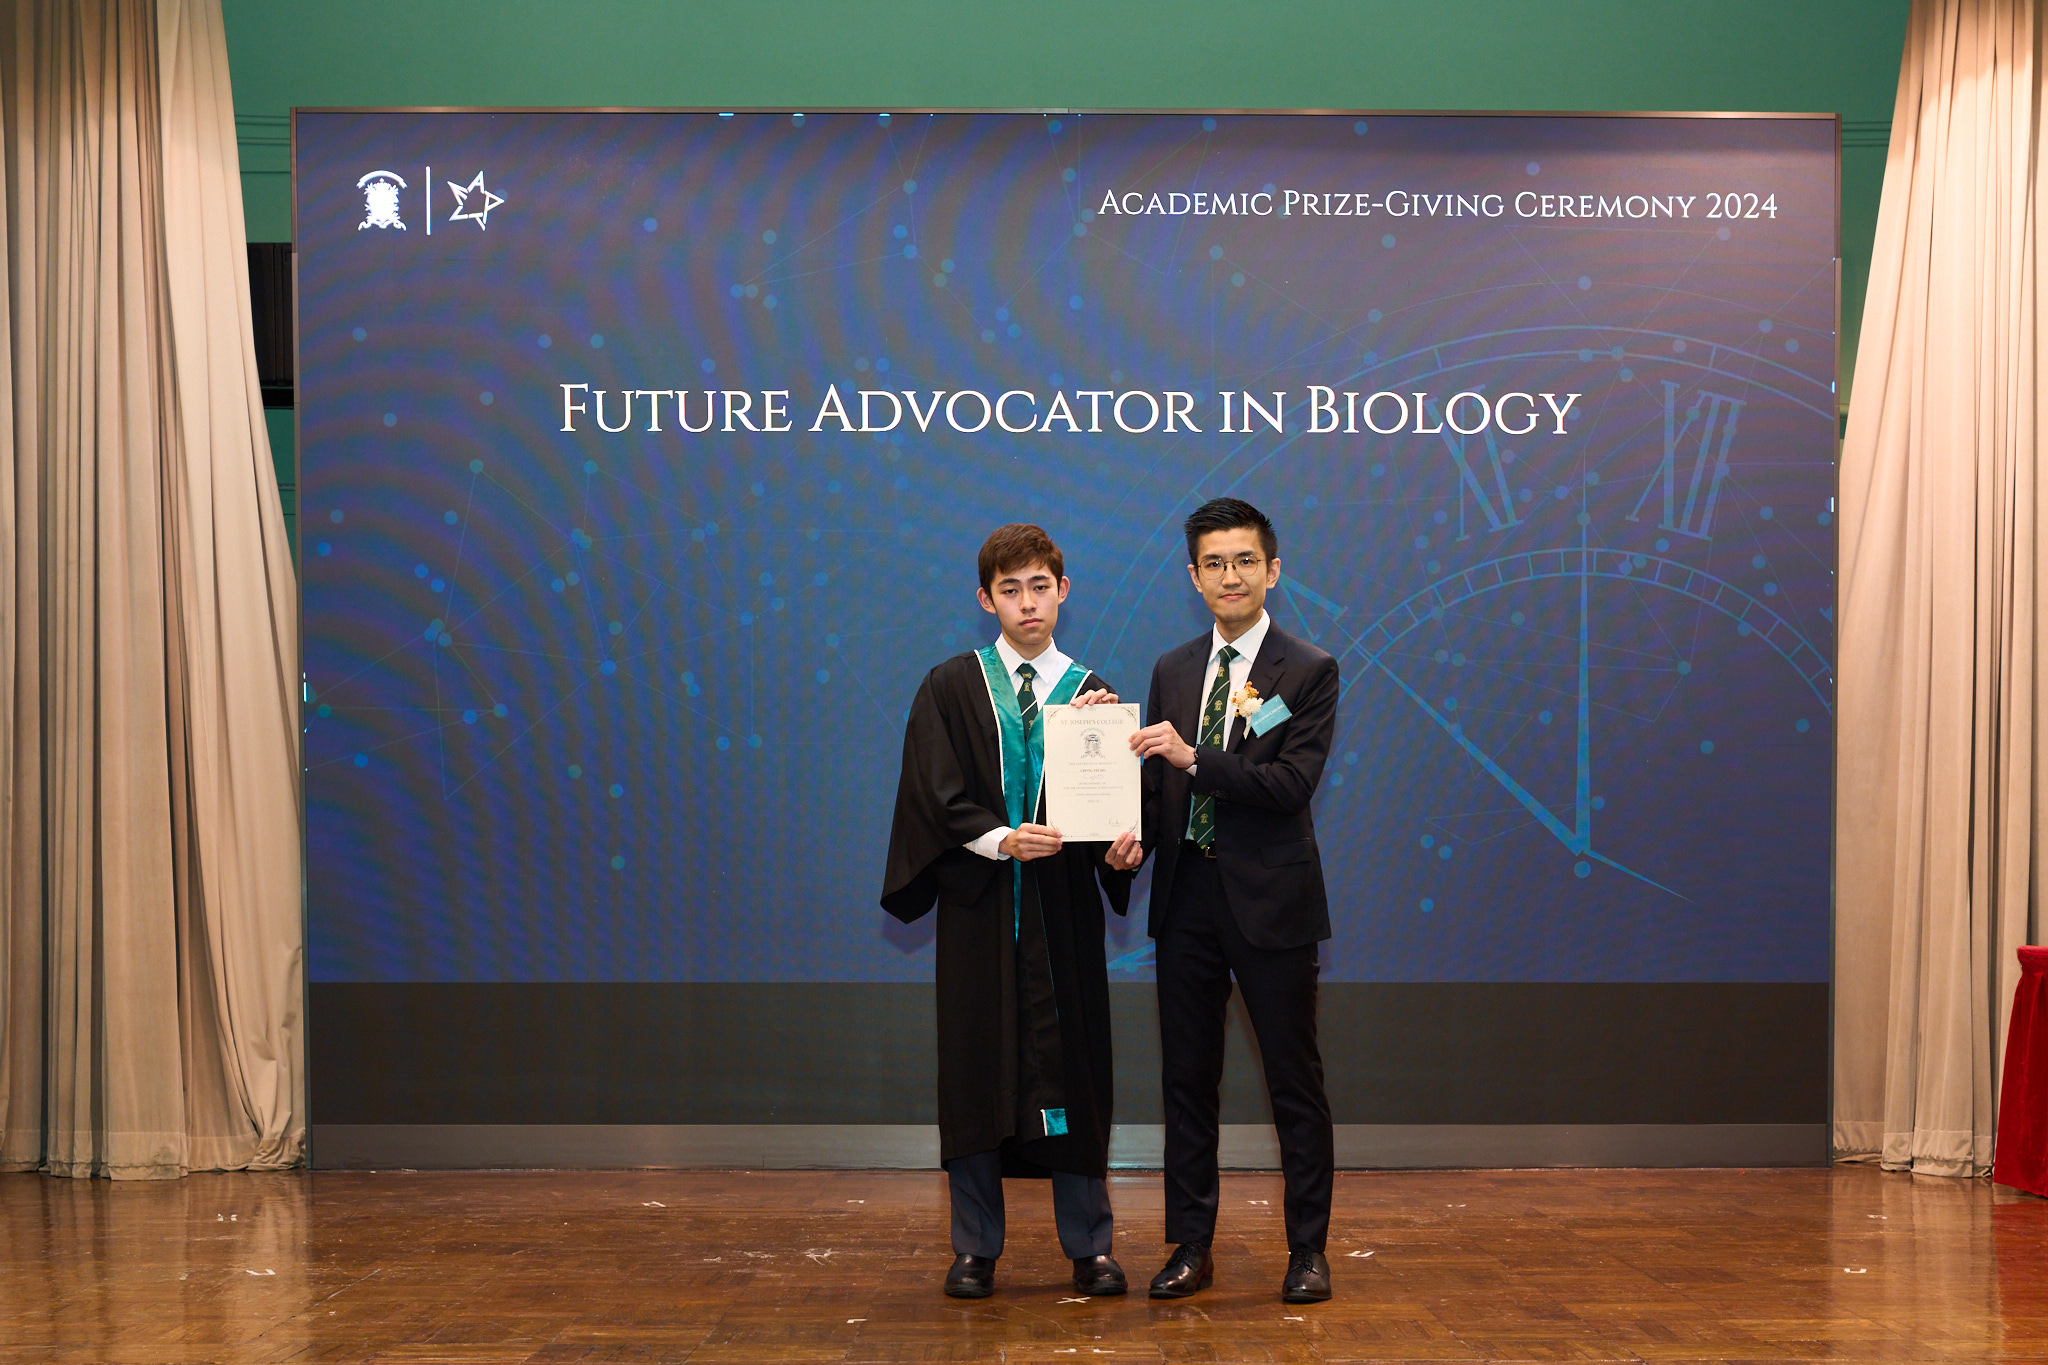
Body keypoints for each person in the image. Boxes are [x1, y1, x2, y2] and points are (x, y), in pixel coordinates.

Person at [1077, 496, 1339, 1303]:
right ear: (1194, 577)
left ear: (1274, 569)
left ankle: (1308, 1249)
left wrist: (1194, 756)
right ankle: (1191, 1245)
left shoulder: (1309, 669)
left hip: (1272, 903)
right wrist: (1125, 841)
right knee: (1187, 1082)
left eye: (1245, 560)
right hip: (1186, 897)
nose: (1232, 576)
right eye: (1215, 563)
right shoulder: (1173, 669)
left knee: (1294, 1080)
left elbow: (1289, 783)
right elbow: (1161, 784)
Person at [880, 523, 1134, 1300]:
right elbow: (933, 792)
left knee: (1074, 1069)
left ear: (1063, 591)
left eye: (1040, 586)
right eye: (1010, 589)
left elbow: (1109, 817)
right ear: (985, 598)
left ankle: (1089, 1244)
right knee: (975, 1070)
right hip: (982, 911)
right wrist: (1000, 839)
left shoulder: (1093, 695)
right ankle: (974, 1245)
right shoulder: (951, 686)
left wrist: (1122, 849)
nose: (1028, 603)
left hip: (1062, 917)